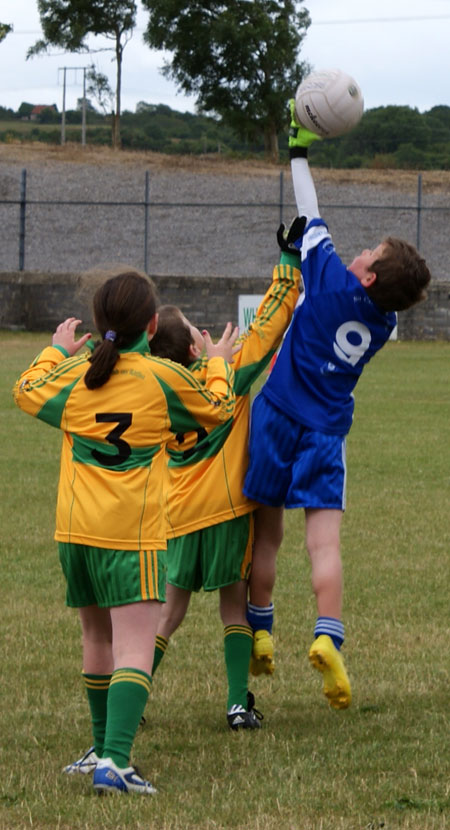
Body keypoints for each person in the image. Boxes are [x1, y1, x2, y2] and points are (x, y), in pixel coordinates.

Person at [12, 270, 239, 795]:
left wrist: (55, 352)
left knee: (96, 638)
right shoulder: (161, 377)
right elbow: (219, 408)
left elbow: (25, 391)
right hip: (130, 536)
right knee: (134, 647)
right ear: (153, 324)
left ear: (97, 324)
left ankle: (98, 750)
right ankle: (115, 761)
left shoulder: (74, 377)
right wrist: (217, 365)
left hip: (74, 533)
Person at [243, 101, 432, 709]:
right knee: (323, 546)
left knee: (265, 537)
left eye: (368, 254)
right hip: (325, 434)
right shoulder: (381, 325)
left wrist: (298, 148)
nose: (358, 254)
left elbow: (309, 208)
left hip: (275, 415)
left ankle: (262, 627)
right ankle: (328, 637)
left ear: (370, 278)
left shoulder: (331, 280)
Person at [148, 256, 301, 729]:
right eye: (196, 328)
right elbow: (268, 329)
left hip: (178, 517)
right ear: (195, 350)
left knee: (169, 612)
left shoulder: (156, 390)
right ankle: (238, 704)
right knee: (233, 608)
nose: (203, 330)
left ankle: (130, 697)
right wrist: (288, 265)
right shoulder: (226, 375)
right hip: (226, 514)